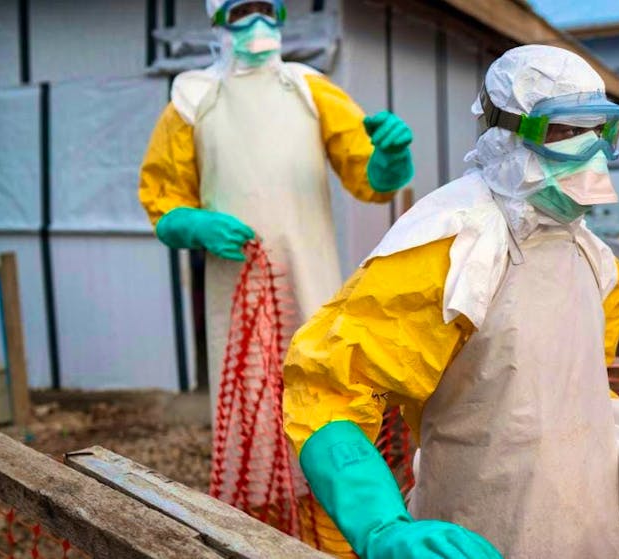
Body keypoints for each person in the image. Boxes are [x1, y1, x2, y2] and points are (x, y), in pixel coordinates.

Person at [283, 44, 619, 558]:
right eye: (564, 133)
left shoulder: (597, 263)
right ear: (509, 133)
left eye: (599, 132)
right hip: (473, 527)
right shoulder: (452, 245)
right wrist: (380, 526)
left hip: (590, 523)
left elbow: (574, 391)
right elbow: (330, 388)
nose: (590, 155)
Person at [138, 0, 413, 426]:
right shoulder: (191, 99)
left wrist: (389, 159)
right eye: (242, 12)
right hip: (237, 281)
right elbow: (164, 195)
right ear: (218, 23)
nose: (258, 23)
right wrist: (191, 223)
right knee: (249, 396)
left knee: (319, 383)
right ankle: (256, 493)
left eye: (268, 9)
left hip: (310, 269)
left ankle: (318, 490)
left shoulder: (310, 88)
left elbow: (368, 178)